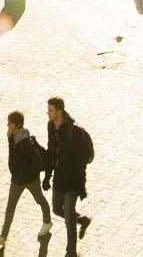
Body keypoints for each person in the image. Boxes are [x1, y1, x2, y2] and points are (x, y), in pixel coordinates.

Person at [0, 110, 52, 247]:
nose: (8, 125)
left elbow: (38, 161)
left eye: (10, 123)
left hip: (30, 180)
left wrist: (27, 173)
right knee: (10, 207)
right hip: (16, 180)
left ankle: (47, 221)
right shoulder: (11, 137)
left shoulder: (25, 142)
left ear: (17, 125)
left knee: (39, 200)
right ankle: (3, 236)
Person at [43, 96, 94, 255]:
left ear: (59, 111)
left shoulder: (74, 131)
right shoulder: (51, 126)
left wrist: (80, 180)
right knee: (57, 209)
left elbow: (83, 159)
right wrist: (47, 175)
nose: (48, 112)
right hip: (59, 178)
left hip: (72, 179)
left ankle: (71, 252)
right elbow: (51, 151)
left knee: (68, 216)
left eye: (51, 110)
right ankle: (83, 220)